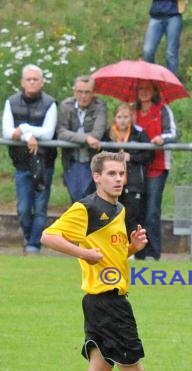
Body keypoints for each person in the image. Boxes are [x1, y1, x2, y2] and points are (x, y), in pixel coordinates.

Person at [1, 151, 170, 371]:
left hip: (105, 302)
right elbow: (48, 236)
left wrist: (131, 249)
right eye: (111, 174)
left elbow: (109, 253)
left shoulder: (118, 209)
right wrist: (82, 252)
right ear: (97, 177)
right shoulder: (88, 207)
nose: (119, 179)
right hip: (107, 304)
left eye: (121, 173)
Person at [2, 63, 57, 255]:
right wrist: (28, 136)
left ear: (42, 82)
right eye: (29, 79)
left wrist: (24, 129)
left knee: (40, 207)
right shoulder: (11, 101)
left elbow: (49, 133)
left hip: (45, 163)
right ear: (22, 82)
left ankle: (34, 245)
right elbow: (7, 131)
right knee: (24, 208)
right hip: (22, 164)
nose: (32, 82)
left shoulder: (50, 103)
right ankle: (28, 236)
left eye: (36, 79)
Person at [133, 79, 177, 261]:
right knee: (136, 210)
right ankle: (138, 251)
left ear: (154, 91)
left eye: (147, 89)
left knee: (152, 210)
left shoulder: (163, 110)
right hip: (136, 166)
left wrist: (161, 138)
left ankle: (153, 251)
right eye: (140, 88)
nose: (143, 92)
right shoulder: (131, 111)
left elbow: (173, 134)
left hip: (157, 166)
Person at [102, 103, 155, 238]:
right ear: (114, 118)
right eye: (119, 117)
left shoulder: (139, 133)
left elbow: (149, 155)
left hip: (133, 181)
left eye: (126, 117)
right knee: (112, 214)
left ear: (131, 118)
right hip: (113, 182)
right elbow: (100, 155)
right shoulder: (108, 134)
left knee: (132, 215)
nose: (123, 120)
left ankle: (132, 247)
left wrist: (131, 157)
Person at [57, 75, 107, 202]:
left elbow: (97, 134)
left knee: (90, 199)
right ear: (74, 91)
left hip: (91, 160)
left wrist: (76, 137)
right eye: (80, 92)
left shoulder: (100, 106)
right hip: (71, 160)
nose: (83, 96)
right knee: (75, 199)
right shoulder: (66, 105)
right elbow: (61, 132)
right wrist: (86, 138)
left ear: (93, 92)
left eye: (87, 92)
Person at [142, 0, 185, 76]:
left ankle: (172, 82)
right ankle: (151, 79)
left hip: (173, 16)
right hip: (156, 16)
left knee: (171, 53)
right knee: (147, 51)